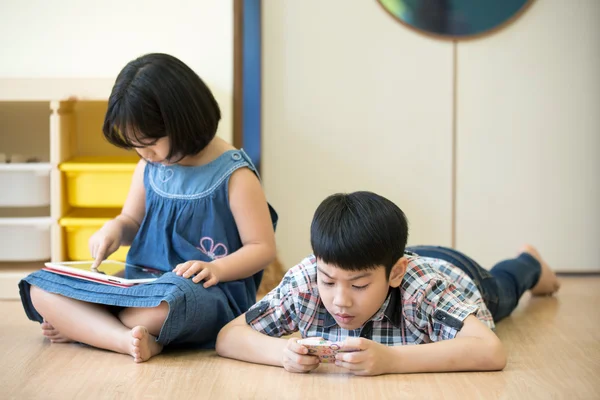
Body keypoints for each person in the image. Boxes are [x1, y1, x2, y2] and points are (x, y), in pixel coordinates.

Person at [19, 53, 278, 363]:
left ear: (183, 121)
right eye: (135, 145)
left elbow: (262, 248)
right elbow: (131, 220)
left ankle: (86, 328)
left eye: (150, 142)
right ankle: (124, 338)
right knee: (40, 288)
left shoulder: (235, 175)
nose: (144, 152)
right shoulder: (149, 166)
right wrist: (114, 229)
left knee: (161, 309)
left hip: (202, 294)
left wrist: (216, 268)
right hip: (139, 286)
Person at [216, 191, 559, 375]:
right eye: (329, 281)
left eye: (359, 286)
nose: (340, 301)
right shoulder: (307, 280)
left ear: (395, 274)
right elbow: (229, 336)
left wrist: (393, 361)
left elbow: (490, 350)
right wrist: (282, 354)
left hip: (459, 274)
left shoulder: (425, 291)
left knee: (506, 288)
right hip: (391, 256)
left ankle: (531, 262)